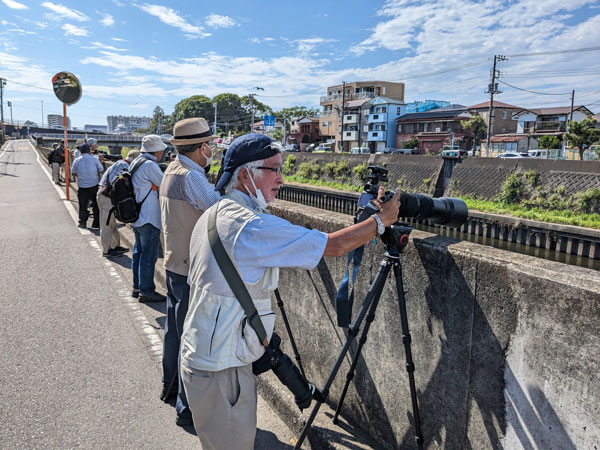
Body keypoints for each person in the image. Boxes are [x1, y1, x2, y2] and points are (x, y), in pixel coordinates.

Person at [179, 134, 401, 449]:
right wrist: (380, 221)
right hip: (221, 369)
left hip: (209, 354)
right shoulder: (249, 226)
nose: (282, 179)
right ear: (245, 174)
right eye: (274, 169)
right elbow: (334, 245)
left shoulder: (217, 214)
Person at [159, 117, 221, 427]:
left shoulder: (171, 169)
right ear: (200, 148)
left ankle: (169, 387)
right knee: (190, 338)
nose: (212, 149)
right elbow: (219, 213)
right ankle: (187, 408)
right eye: (210, 144)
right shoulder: (193, 178)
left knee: (174, 330)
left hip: (173, 262)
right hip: (191, 267)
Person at [130, 135, 166, 303]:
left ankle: (137, 287)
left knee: (138, 253)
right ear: (157, 151)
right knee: (148, 256)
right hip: (149, 218)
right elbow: (164, 184)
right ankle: (147, 291)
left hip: (137, 216)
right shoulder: (150, 165)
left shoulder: (136, 161)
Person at [96, 149, 140, 258]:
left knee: (112, 224)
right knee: (107, 224)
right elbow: (115, 183)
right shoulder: (123, 166)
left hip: (106, 195)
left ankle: (115, 246)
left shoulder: (120, 163)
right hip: (107, 197)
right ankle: (106, 250)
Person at [71, 143, 104, 229]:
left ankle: (82, 222)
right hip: (94, 185)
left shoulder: (77, 160)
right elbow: (101, 170)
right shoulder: (94, 159)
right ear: (89, 150)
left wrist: (81, 175)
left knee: (83, 205)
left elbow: (73, 173)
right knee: (96, 205)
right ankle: (96, 223)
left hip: (82, 187)